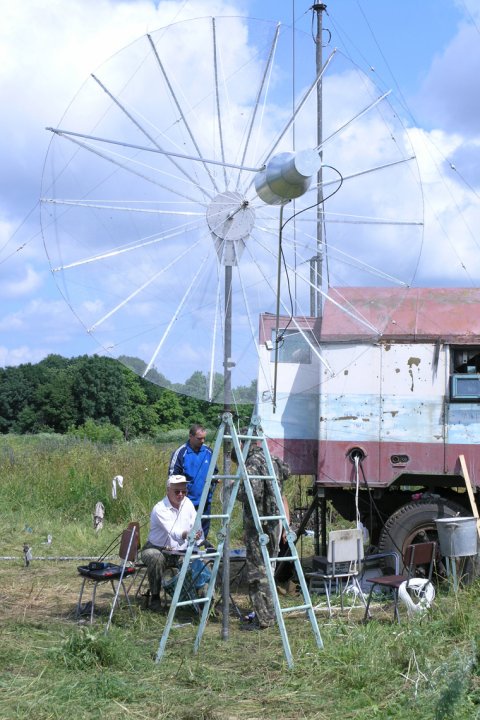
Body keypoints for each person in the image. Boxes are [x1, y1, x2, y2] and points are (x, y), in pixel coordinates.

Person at [237, 437, 290, 630]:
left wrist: (234, 487)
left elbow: (253, 492)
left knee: (257, 573)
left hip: (259, 526)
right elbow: (287, 471)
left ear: (242, 444)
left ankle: (264, 618)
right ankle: (271, 613)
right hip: (275, 522)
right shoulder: (272, 459)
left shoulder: (252, 462)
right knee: (270, 568)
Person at [141, 474, 203, 612]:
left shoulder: (188, 503)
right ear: (168, 491)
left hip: (179, 550)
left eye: (184, 491)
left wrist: (199, 536)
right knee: (156, 558)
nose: (181, 494)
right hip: (156, 548)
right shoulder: (160, 508)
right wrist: (188, 534)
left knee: (198, 561)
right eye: (177, 491)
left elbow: (196, 524)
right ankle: (155, 598)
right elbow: (173, 531)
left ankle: (200, 600)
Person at [169, 423, 217, 540]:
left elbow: (215, 472)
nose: (202, 441)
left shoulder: (209, 452)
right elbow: (172, 477)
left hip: (205, 500)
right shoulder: (181, 452)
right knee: (187, 529)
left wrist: (213, 485)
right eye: (199, 438)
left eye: (204, 438)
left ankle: (201, 552)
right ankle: (184, 554)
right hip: (186, 500)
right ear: (190, 436)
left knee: (203, 530)